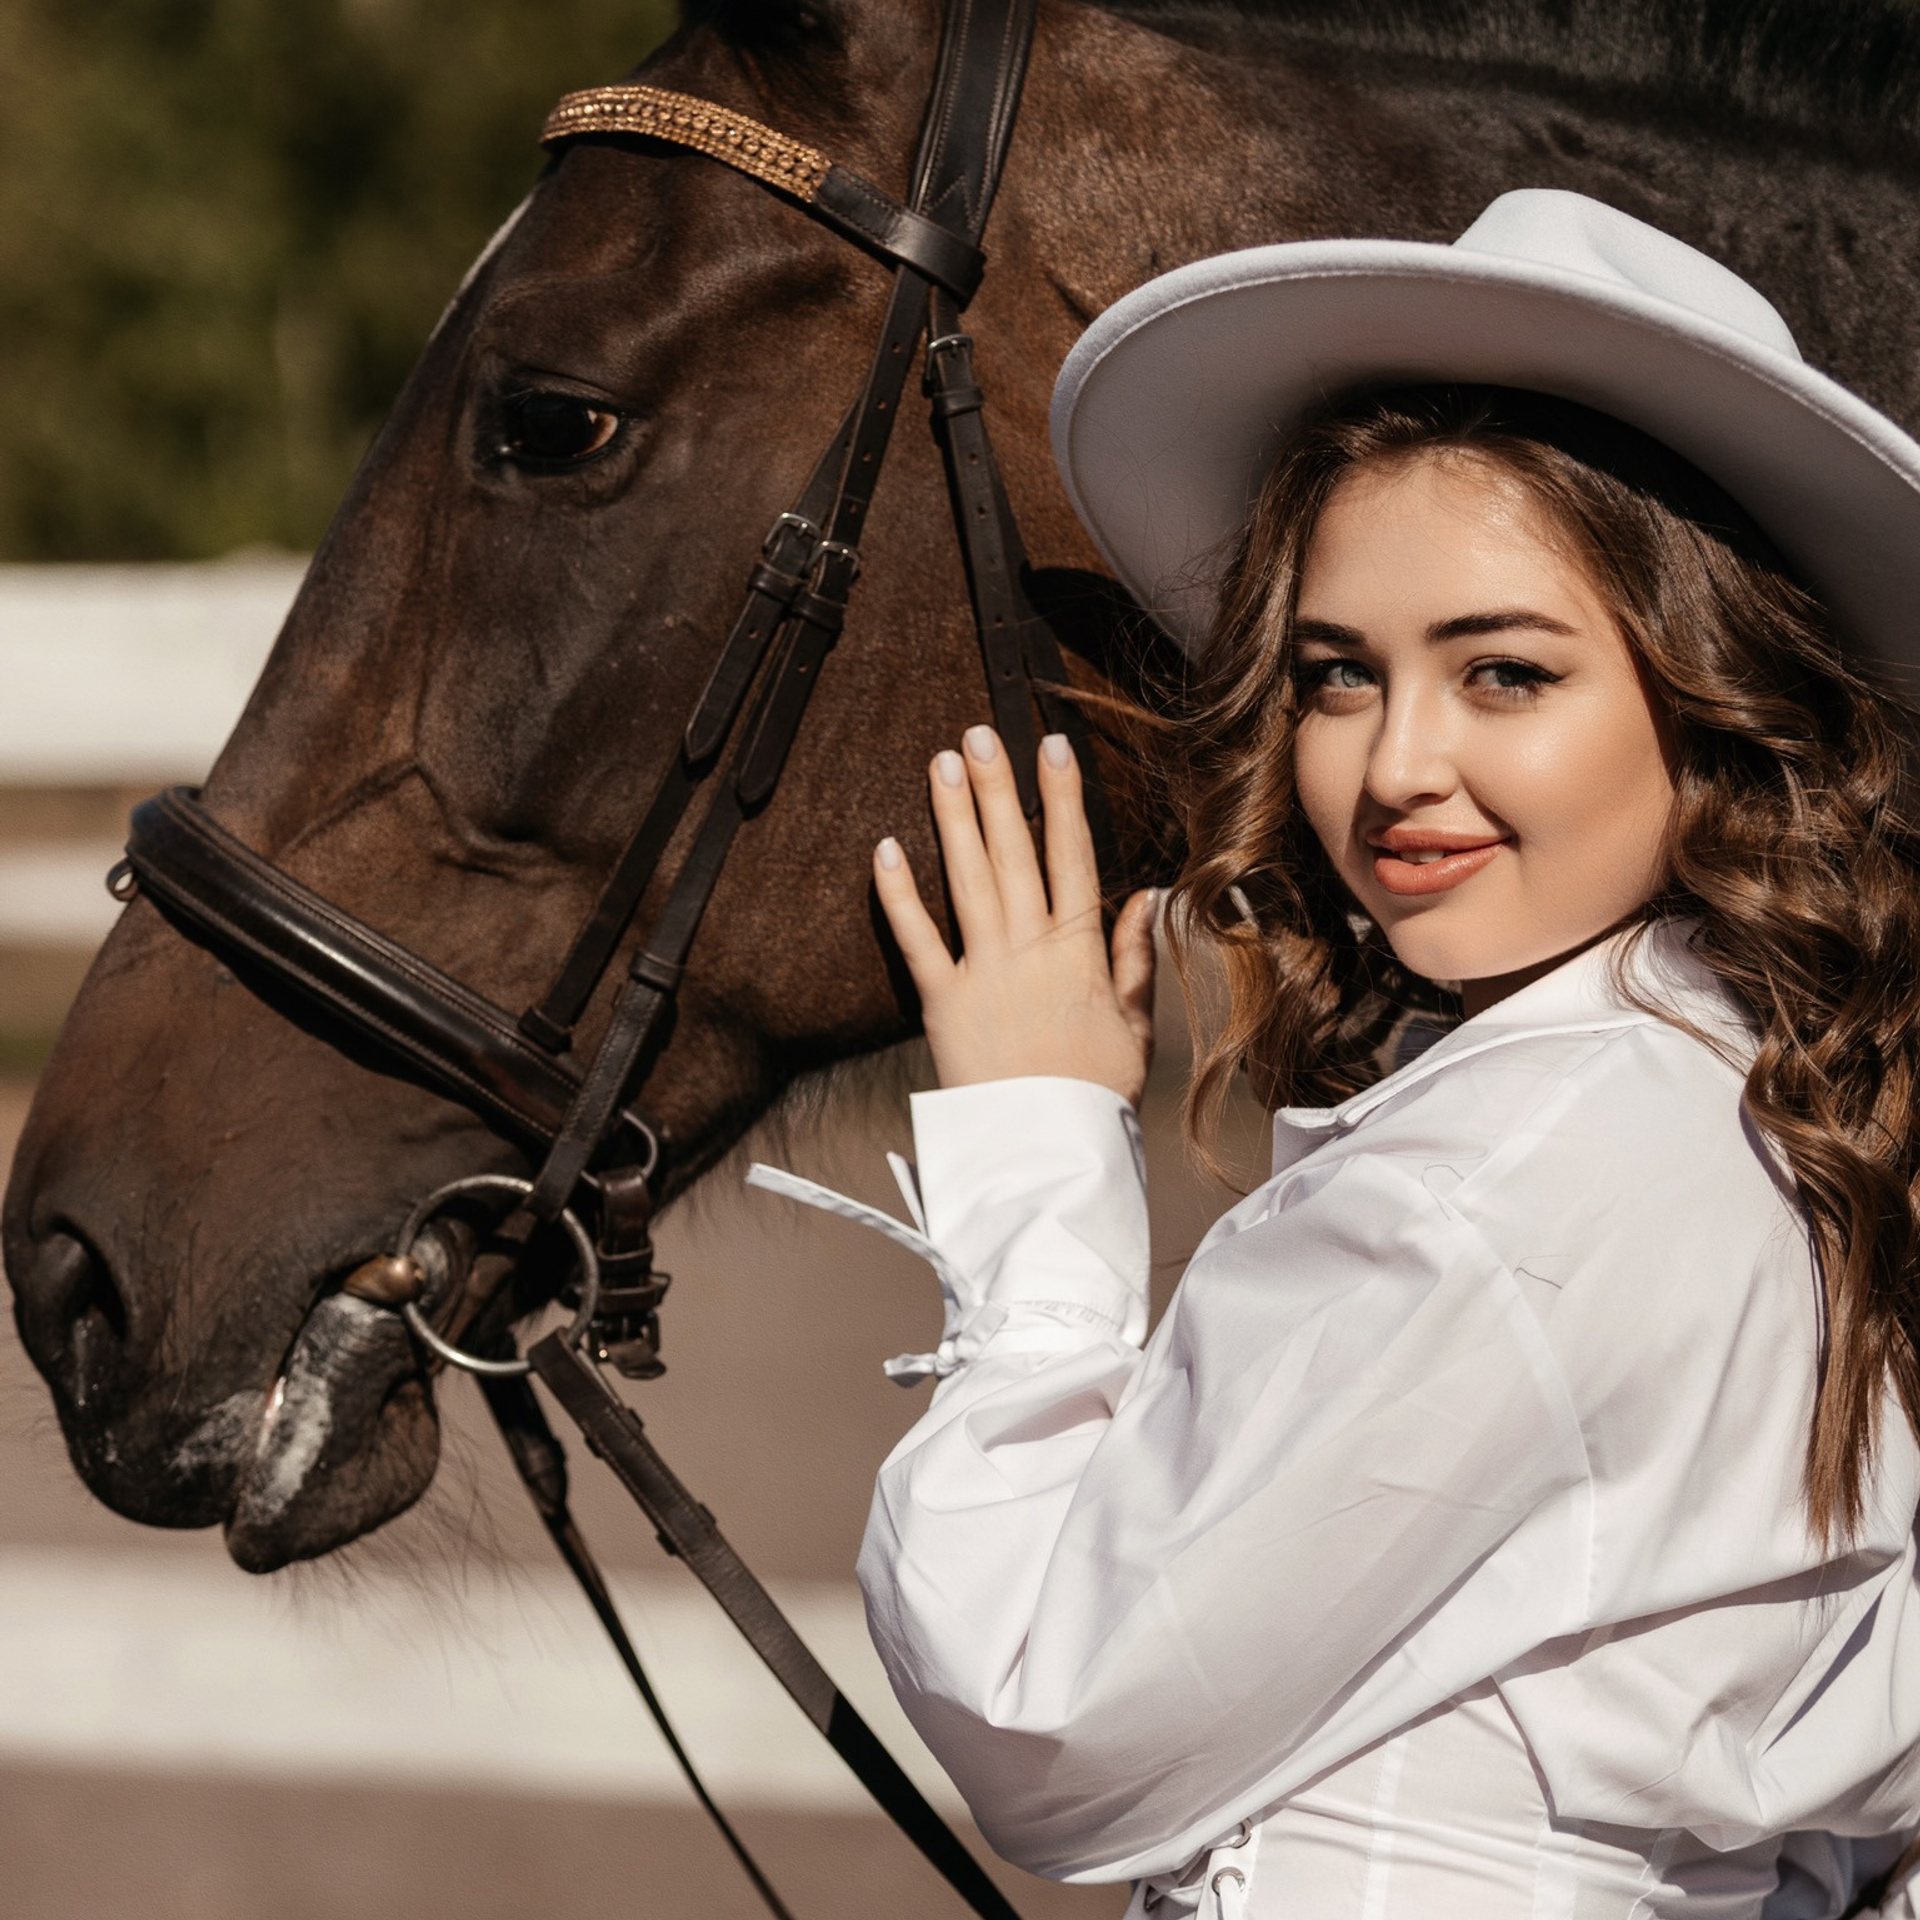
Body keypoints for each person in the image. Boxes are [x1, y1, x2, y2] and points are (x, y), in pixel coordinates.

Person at [750, 191, 1920, 1918]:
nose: (1394, 769)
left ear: (1718, 706)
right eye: (1337, 676)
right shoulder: (1793, 1109)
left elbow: (1048, 1718)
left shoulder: (1506, 1180)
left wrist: (1036, 1151)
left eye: (1505, 676)